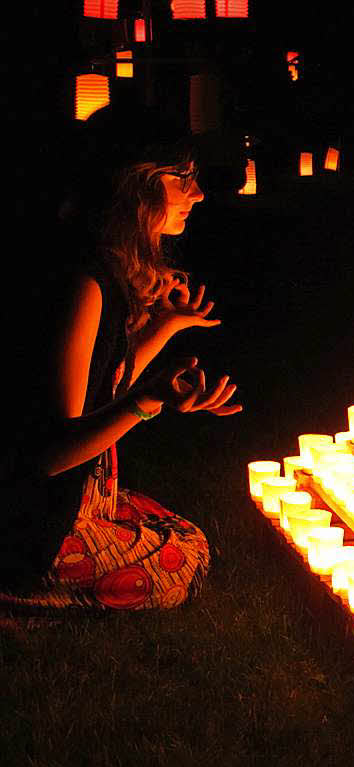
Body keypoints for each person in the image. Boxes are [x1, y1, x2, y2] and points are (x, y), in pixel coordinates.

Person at [0, 105, 241, 611]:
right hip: (40, 519)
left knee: (184, 535)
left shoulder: (108, 274)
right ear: (137, 185)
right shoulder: (83, 285)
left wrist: (164, 327)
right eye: (184, 178)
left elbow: (103, 384)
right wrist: (144, 403)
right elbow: (51, 452)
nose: (197, 193)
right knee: (184, 564)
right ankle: (20, 591)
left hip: (78, 500)